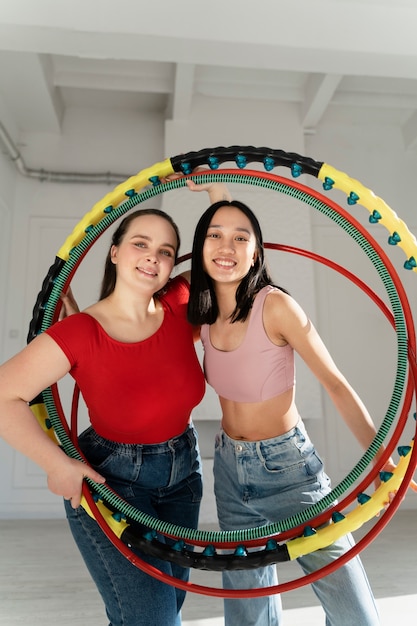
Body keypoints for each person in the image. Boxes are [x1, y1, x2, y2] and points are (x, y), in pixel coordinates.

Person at [186, 197, 417, 626]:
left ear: (256, 251)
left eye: (241, 238)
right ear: (200, 246)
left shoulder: (275, 306)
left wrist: (383, 461)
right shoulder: (198, 313)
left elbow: (336, 384)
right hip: (229, 471)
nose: (227, 247)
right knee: (247, 612)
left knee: (353, 613)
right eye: (215, 236)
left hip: (287, 469)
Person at [0, 197, 227, 625]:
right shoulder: (81, 331)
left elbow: (229, 249)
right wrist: (56, 464)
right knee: (155, 620)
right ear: (115, 251)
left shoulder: (181, 301)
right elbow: (3, 395)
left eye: (165, 250)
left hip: (183, 475)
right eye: (140, 244)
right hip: (113, 483)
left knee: (156, 612)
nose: (153, 257)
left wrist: (217, 194)